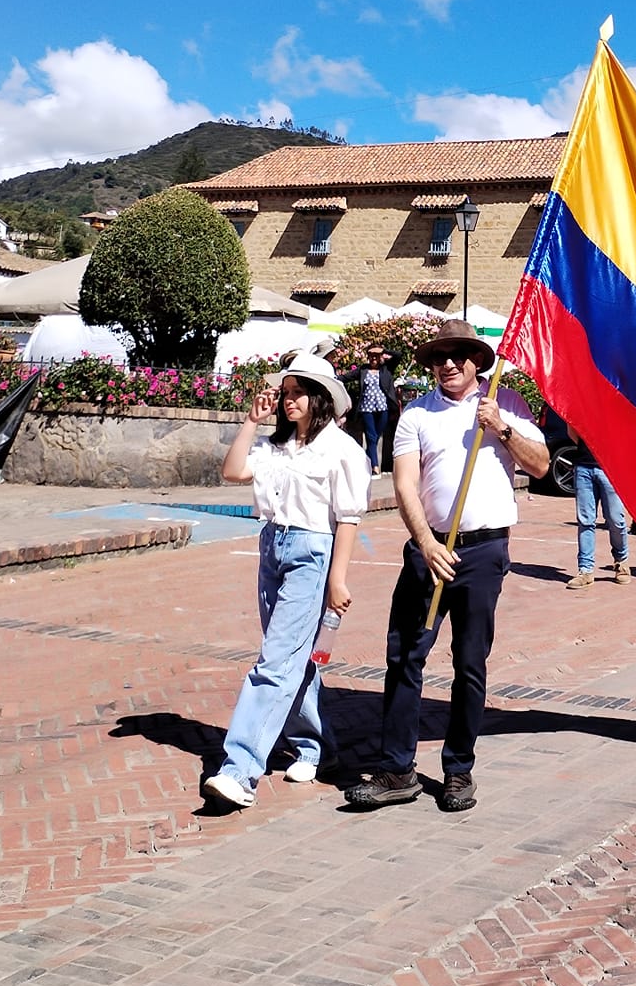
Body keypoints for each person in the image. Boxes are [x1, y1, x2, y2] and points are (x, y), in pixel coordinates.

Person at [347, 319, 548, 814]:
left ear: (477, 361)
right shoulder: (416, 414)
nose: (449, 364)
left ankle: (459, 771)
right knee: (405, 659)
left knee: (469, 664)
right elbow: (404, 485)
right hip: (428, 549)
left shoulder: (508, 404)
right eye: (439, 357)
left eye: (459, 354)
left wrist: (500, 427)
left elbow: (541, 465)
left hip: (484, 553)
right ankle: (397, 770)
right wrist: (425, 543)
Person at [202, 352, 370, 809]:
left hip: (312, 555)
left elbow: (348, 519)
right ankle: (319, 747)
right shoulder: (276, 446)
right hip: (271, 548)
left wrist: (338, 580)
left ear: (320, 398)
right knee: (293, 658)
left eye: (298, 392)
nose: (288, 400)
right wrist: (251, 423)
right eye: (287, 392)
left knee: (275, 661)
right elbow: (233, 471)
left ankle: (240, 770)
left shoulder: (342, 451)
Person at [567, 428, 631, 589]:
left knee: (616, 519)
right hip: (583, 466)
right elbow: (571, 430)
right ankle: (585, 570)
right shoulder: (584, 404)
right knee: (585, 521)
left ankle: (621, 562)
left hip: (610, 467)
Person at [350, 344, 397, 473]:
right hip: (367, 408)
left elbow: (398, 356)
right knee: (371, 436)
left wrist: (384, 350)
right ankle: (375, 467)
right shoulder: (363, 370)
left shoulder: (386, 369)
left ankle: (367, 458)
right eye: (371, 356)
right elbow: (345, 377)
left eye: (376, 356)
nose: (373, 359)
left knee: (376, 436)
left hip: (383, 407)